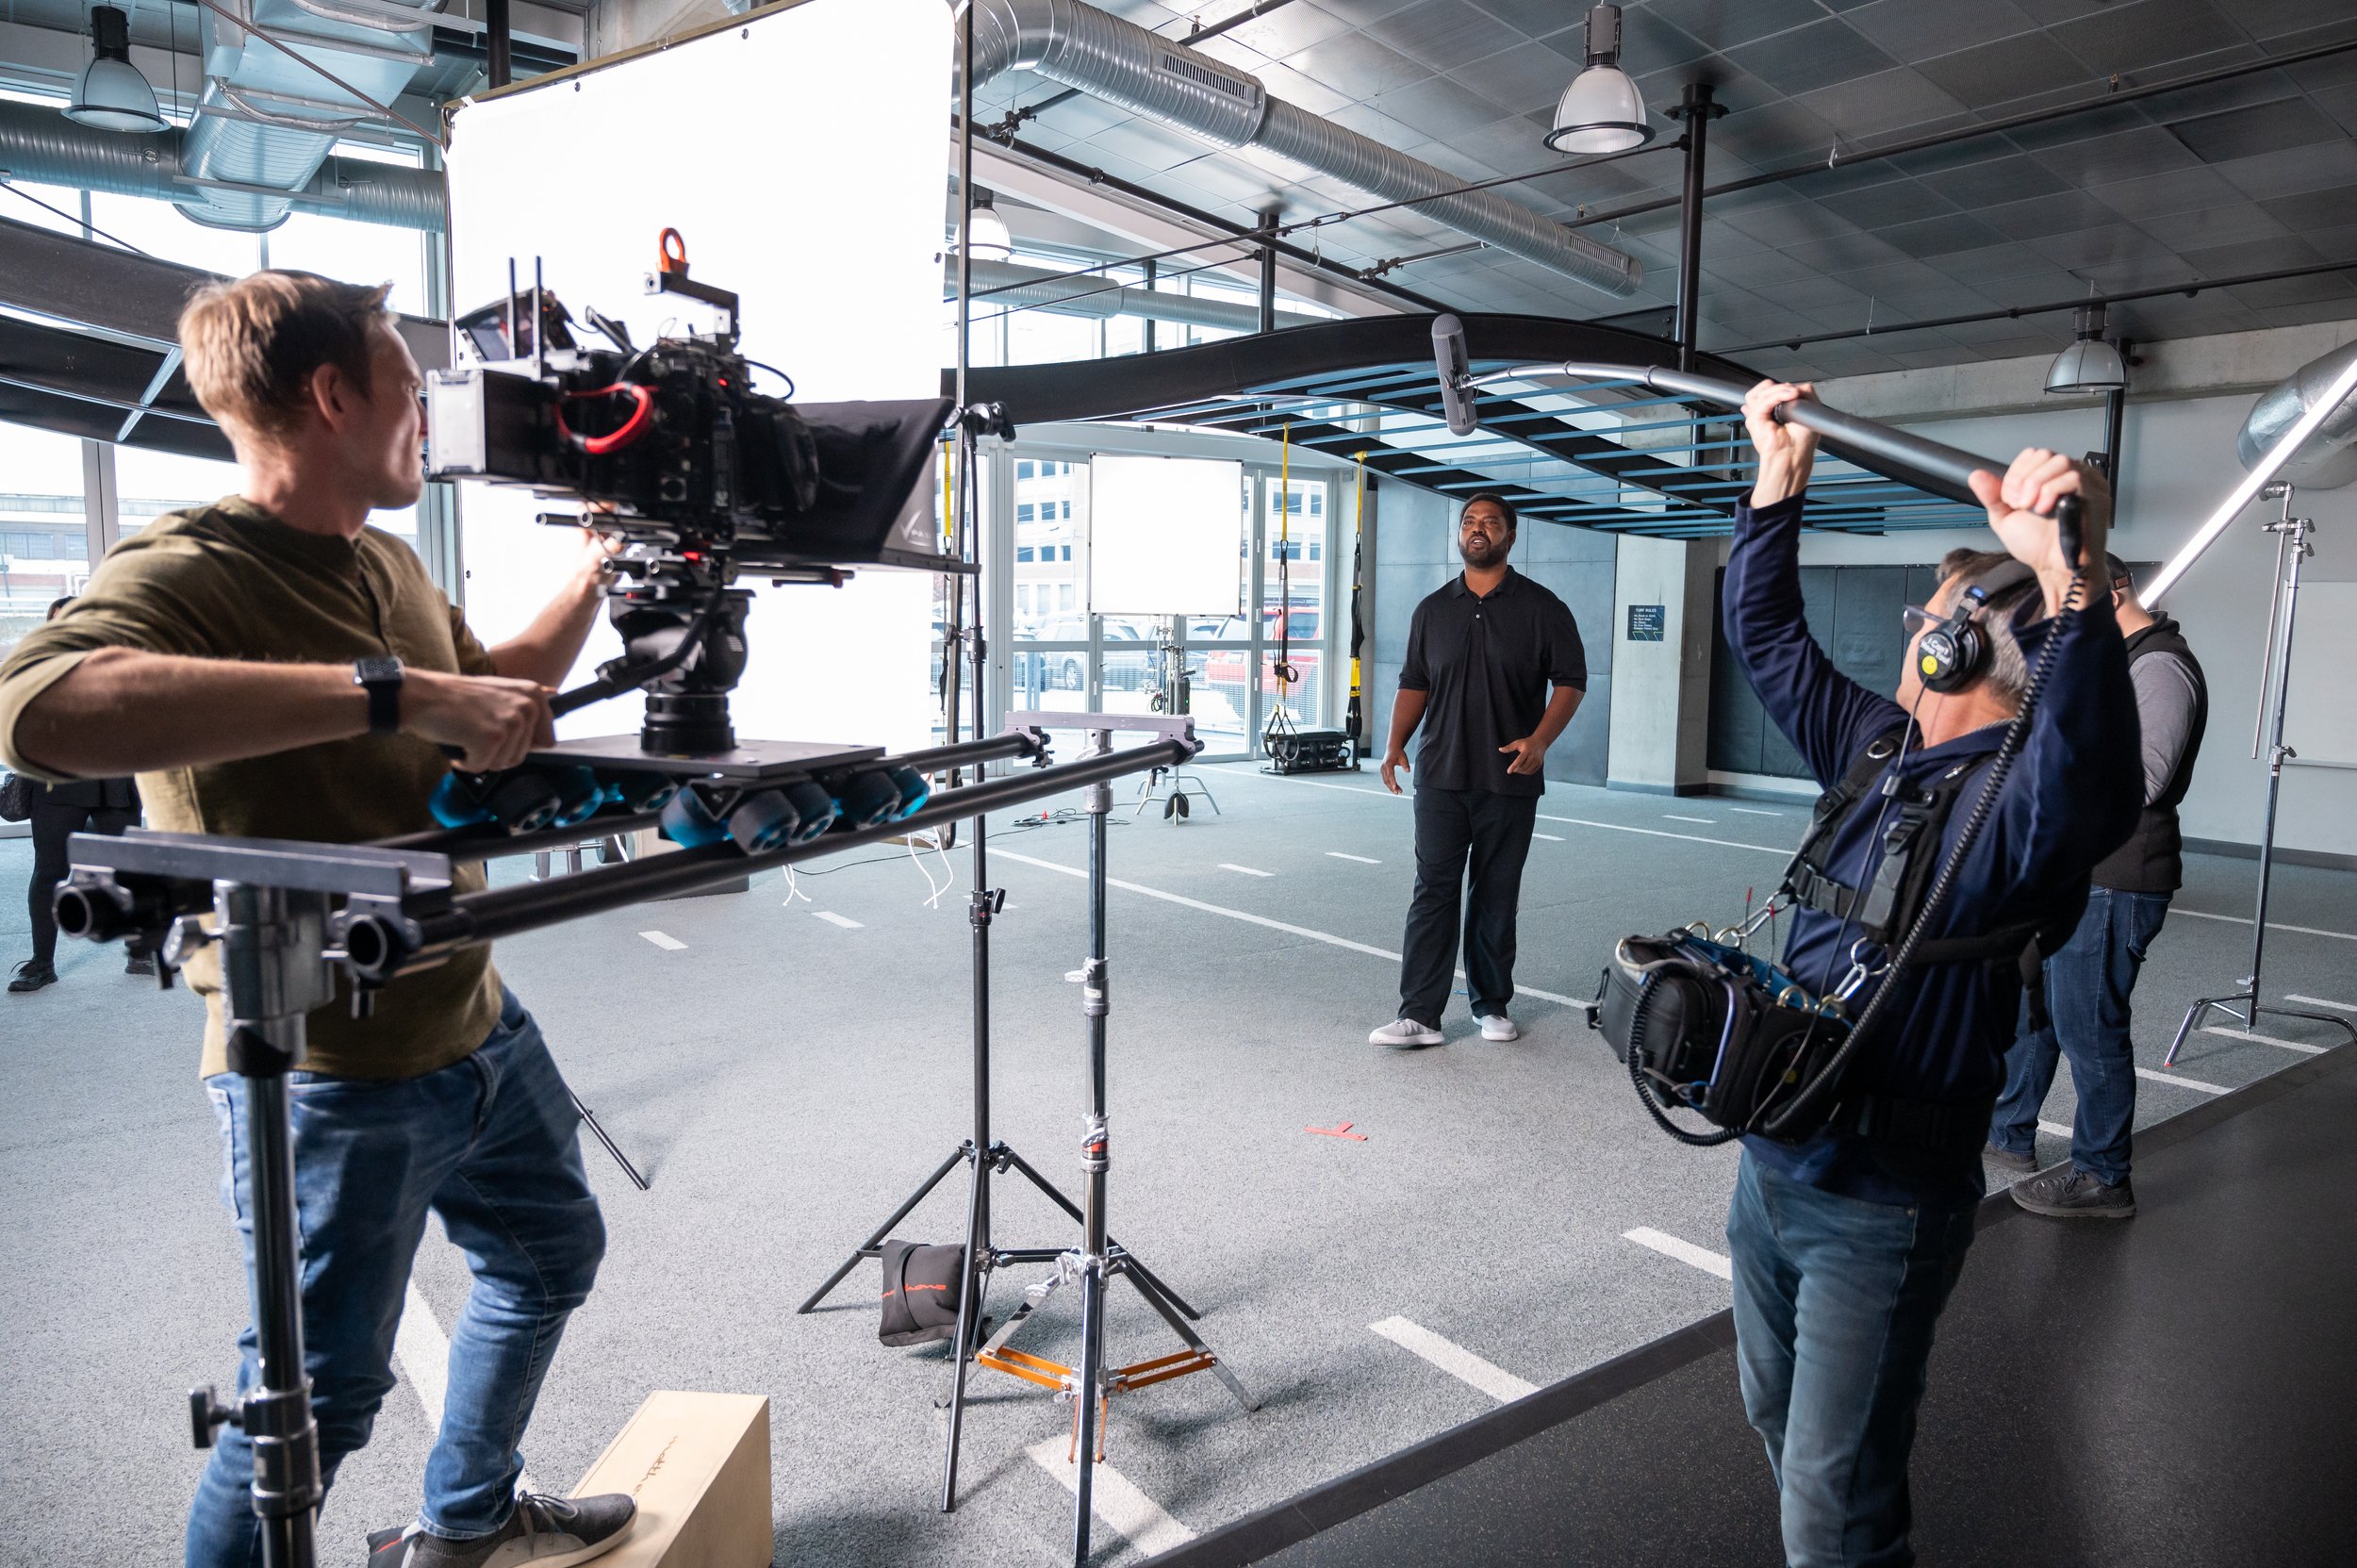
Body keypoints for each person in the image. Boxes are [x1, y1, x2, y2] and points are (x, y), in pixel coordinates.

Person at [0, 271, 636, 1568]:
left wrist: (594, 571)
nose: (426, 415)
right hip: (325, 1066)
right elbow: (35, 709)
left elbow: (490, 699)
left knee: (548, 1251)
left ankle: (466, 1516)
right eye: (409, 386)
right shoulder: (192, 565)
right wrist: (390, 693)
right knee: (314, 1400)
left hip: (472, 1013)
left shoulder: (388, 560)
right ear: (334, 395)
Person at [1720, 380, 2141, 1567]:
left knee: (1832, 1502)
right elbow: (1765, 638)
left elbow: (2094, 775)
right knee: (1780, 1426)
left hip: (1881, 1201)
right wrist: (1777, 480)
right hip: (1772, 1166)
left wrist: (2070, 579)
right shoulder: (1875, 751)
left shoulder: (2020, 808)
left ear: (1958, 652)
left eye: (1930, 618)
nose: (1914, 631)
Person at [1989, 553, 2207, 1218]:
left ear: (2113, 594)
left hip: (2117, 878)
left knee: (2090, 1027)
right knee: (2036, 1008)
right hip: (2074, 870)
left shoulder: (2160, 667)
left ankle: (2104, 1176)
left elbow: (2143, 780)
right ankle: (2007, 1133)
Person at [1371, 492, 1586, 1047]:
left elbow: (1571, 681)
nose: (1477, 529)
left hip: (1509, 775)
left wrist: (1541, 740)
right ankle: (1419, 1015)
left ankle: (1491, 1005)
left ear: (1510, 536)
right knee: (1433, 891)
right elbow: (1414, 683)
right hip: (1440, 774)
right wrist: (1394, 745)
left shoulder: (1544, 608)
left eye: (1490, 522)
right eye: (1469, 521)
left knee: (1496, 893)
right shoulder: (1432, 609)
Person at [9, 596, 150, 993]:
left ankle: (140, 951)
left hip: (114, 777)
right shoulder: (35, 666)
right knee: (50, 871)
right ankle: (41, 963)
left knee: (128, 868)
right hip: (56, 782)